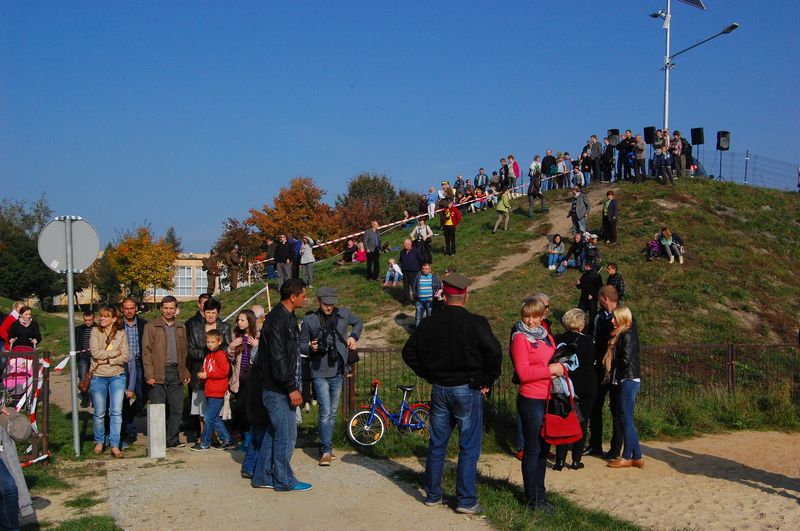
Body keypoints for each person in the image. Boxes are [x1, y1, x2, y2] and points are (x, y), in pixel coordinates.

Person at [402, 272, 502, 514]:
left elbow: (409, 352)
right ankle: (466, 500)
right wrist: (486, 379)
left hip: (440, 388)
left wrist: (428, 374)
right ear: (465, 295)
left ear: (444, 295)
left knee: (437, 444)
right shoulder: (476, 323)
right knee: (468, 446)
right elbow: (495, 352)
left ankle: (433, 495)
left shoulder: (430, 322)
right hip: (467, 389)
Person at [251, 278, 312, 492]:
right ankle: (284, 480)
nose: (305, 299)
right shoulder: (278, 320)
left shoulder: (285, 316)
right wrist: (291, 387)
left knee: (274, 433)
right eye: (303, 296)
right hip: (278, 389)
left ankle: (262, 476)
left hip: (277, 386)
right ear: (293, 296)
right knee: (286, 435)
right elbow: (278, 358)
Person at [509, 297, 564, 513]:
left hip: (548, 396)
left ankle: (541, 495)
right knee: (533, 448)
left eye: (535, 317)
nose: (530, 321)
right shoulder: (520, 338)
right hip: (531, 398)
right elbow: (523, 373)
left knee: (543, 448)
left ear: (543, 317)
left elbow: (550, 360)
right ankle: (533, 499)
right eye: (526, 316)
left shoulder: (546, 337)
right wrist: (552, 370)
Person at [299, 287, 363, 466]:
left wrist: (354, 337)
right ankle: (326, 450)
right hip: (318, 371)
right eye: (326, 304)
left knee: (332, 412)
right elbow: (300, 344)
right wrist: (310, 347)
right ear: (319, 301)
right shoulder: (309, 319)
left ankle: (325, 445)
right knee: (325, 410)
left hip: (338, 370)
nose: (329, 307)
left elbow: (359, 322)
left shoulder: (343, 314)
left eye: (331, 304)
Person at [142, 296, 190, 449]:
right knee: (158, 408)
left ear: (176, 309)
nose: (169, 311)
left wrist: (186, 372)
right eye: (166, 308)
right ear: (161, 308)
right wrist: (149, 374)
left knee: (177, 408)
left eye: (171, 308)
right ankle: (158, 440)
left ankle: (172, 439)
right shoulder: (151, 327)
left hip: (176, 372)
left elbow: (185, 352)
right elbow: (146, 352)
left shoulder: (181, 327)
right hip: (157, 372)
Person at [553, 309, 596, 471]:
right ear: (581, 325)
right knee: (582, 421)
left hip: (565, 383)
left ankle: (560, 460)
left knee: (563, 419)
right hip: (586, 384)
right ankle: (576, 459)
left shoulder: (558, 339)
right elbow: (593, 359)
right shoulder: (588, 342)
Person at [603, 306, 644, 468]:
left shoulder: (626, 334)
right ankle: (637, 456)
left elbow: (626, 360)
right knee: (625, 417)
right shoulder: (622, 334)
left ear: (623, 319)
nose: (612, 321)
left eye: (615, 318)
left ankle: (627, 456)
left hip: (628, 378)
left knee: (626, 418)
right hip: (626, 378)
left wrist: (612, 362)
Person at [187, 298, 232, 444]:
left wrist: (214, 355)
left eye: (213, 312)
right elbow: (191, 349)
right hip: (200, 370)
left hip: (216, 372)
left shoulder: (224, 327)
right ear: (203, 312)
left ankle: (216, 437)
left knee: (213, 410)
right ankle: (204, 436)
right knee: (200, 407)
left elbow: (228, 347)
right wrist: (207, 355)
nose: (210, 315)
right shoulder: (195, 326)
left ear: (217, 312)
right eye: (207, 312)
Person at [585, 285, 623, 459]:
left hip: (616, 368)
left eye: (600, 298)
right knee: (595, 405)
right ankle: (595, 444)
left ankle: (616, 448)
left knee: (616, 409)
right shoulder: (599, 316)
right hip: (599, 368)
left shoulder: (623, 315)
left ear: (604, 298)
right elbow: (592, 338)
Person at [89, 305, 130, 458]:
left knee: (116, 412)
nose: (102, 319)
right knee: (99, 412)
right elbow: (95, 352)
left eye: (106, 316)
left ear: (114, 319)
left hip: (117, 376)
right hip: (98, 375)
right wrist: (113, 354)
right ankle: (99, 441)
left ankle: (115, 444)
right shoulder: (95, 332)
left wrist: (110, 361)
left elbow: (125, 356)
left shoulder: (121, 334)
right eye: (101, 316)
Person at [192, 329, 233, 451]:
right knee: (214, 418)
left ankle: (205, 443)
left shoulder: (220, 354)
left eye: (212, 342)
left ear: (219, 342)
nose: (209, 344)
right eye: (208, 341)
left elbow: (224, 371)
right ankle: (227, 439)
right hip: (210, 390)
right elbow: (208, 370)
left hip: (217, 391)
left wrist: (207, 374)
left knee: (208, 417)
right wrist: (203, 375)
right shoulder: (209, 356)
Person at [228, 309, 259, 451]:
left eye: (242, 320)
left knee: (250, 409)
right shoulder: (236, 336)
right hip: (240, 377)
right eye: (238, 320)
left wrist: (256, 346)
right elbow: (231, 359)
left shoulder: (257, 336)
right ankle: (246, 437)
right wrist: (232, 347)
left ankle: (250, 440)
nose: (239, 323)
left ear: (249, 321)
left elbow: (262, 358)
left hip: (254, 379)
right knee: (240, 407)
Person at [120, 298, 147, 448]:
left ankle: (130, 416)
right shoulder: (118, 325)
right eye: (126, 308)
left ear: (136, 308)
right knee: (125, 398)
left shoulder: (144, 324)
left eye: (132, 308)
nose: (129, 311)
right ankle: (129, 431)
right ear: (122, 309)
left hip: (140, 362)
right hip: (123, 365)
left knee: (142, 395)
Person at [75, 310, 96, 408]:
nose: (87, 322)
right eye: (85, 320)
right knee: (83, 376)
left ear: (93, 319)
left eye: (89, 320)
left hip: (95, 357)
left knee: (95, 378)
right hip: (83, 356)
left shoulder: (98, 328)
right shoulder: (79, 329)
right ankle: (85, 397)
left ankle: (95, 399)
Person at [576, 262, 602, 334]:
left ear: (591, 267)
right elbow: (580, 286)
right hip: (583, 299)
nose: (585, 266)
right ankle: (579, 329)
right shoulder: (584, 275)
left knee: (592, 316)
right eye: (586, 265)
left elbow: (600, 288)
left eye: (587, 265)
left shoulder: (597, 276)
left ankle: (591, 332)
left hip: (592, 300)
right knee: (579, 314)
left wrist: (593, 295)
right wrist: (578, 284)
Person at [398, 239, 425, 304]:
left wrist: (420, 268)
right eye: (404, 244)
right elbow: (401, 261)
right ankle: (406, 300)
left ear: (410, 244)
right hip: (405, 272)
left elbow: (422, 259)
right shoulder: (402, 252)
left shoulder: (415, 251)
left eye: (405, 244)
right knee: (405, 287)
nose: (404, 245)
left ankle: (416, 301)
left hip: (414, 272)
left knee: (415, 287)